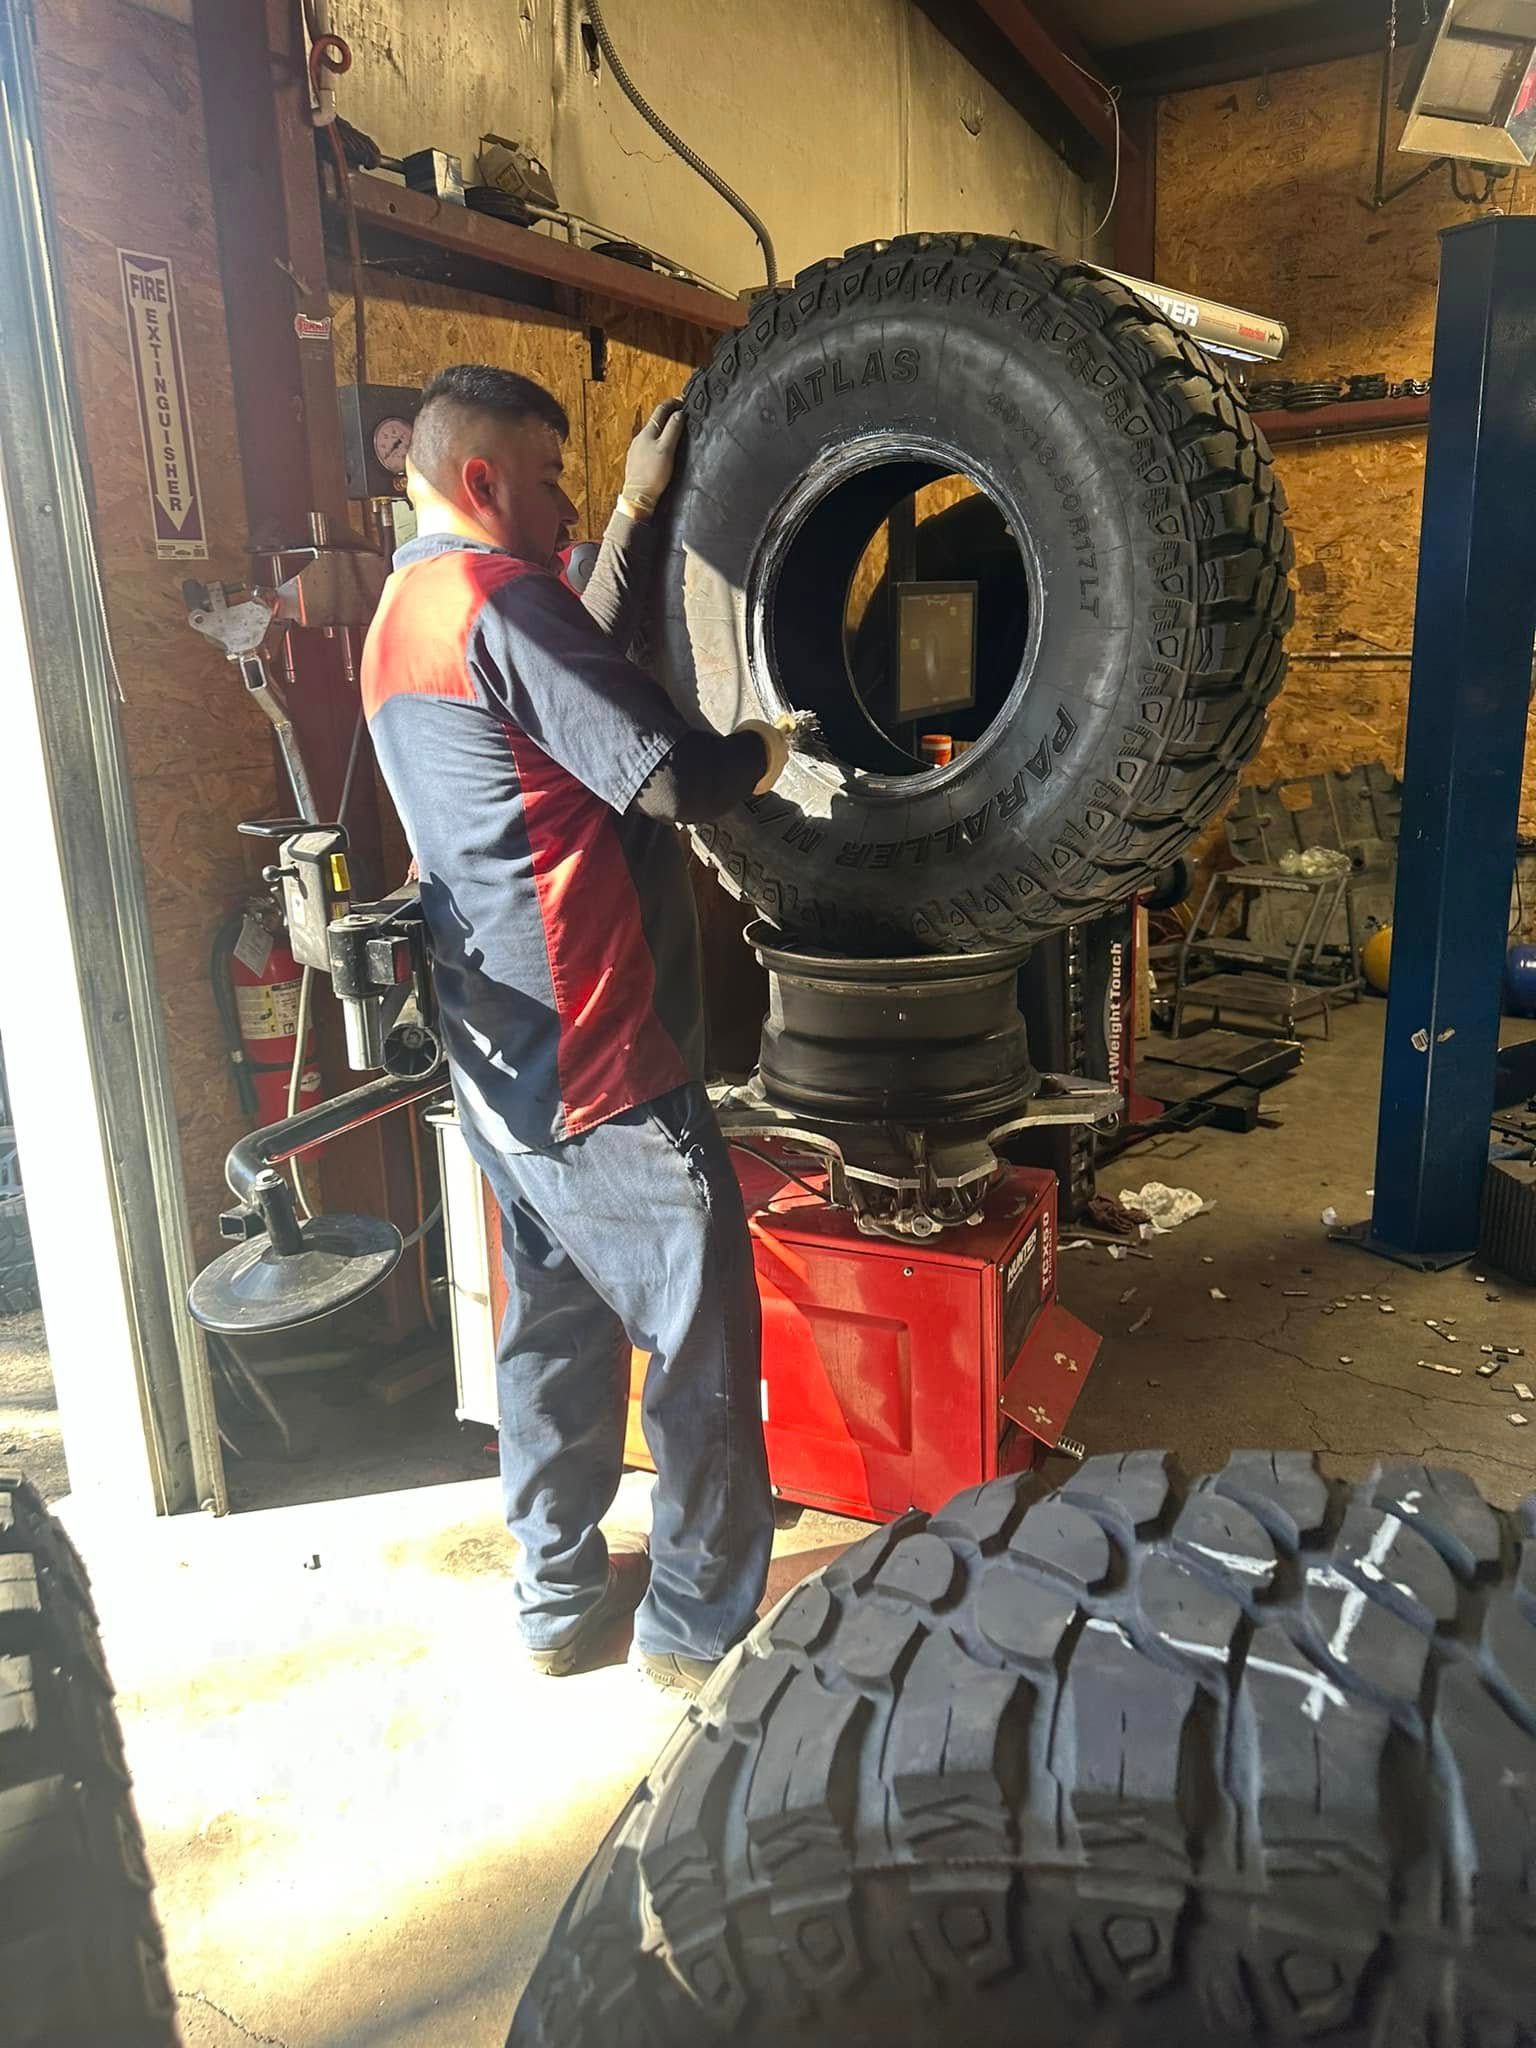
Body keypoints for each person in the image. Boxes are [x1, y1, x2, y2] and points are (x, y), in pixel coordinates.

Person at [361, 365, 790, 1694]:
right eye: (549, 481)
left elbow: (562, 694)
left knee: (552, 1328)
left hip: (508, 1068)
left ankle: (554, 1597)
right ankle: (695, 1621)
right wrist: (765, 752)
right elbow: (666, 773)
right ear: (483, 480)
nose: (558, 511)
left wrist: (628, 509)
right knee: (702, 1327)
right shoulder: (502, 599)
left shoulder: (410, 613)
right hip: (604, 1048)